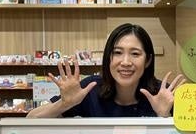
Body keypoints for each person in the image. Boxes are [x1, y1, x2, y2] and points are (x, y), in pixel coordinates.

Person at [26, 23, 185, 118]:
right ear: (108, 58)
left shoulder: (162, 95)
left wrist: (164, 116)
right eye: (117, 53)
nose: (125, 62)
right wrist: (64, 104)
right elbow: (32, 118)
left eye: (135, 54)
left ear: (148, 60)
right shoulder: (90, 89)